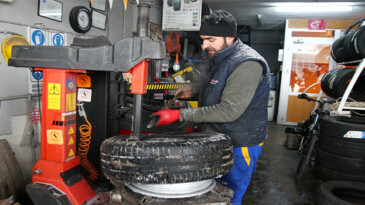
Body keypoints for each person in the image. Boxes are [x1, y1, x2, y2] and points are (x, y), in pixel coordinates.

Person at [152, 10, 270, 205]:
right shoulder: (221, 56)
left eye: (210, 40)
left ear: (230, 37)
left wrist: (178, 114)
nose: (205, 45)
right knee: (210, 193)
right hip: (217, 136)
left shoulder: (247, 63)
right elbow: (217, 84)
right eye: (203, 39)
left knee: (229, 195)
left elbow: (228, 110)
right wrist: (194, 89)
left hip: (240, 144)